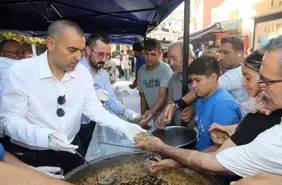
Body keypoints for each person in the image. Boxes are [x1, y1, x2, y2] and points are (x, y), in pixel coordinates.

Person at [136, 27, 282, 184]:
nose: (259, 89)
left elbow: (215, 162)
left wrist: (160, 147)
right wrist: (234, 128)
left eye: (265, 81)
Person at [0, 20, 145, 173]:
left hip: (72, 147)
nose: (78, 57)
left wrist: (124, 127)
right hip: (34, 153)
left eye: (81, 51)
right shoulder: (21, 71)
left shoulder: (82, 73)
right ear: (51, 44)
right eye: (72, 50)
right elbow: (11, 121)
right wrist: (46, 137)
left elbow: (94, 110)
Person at [79, 31, 142, 154]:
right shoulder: (76, 69)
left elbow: (110, 98)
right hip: (72, 124)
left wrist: (124, 112)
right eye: (100, 54)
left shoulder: (103, 75)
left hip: (90, 123)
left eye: (108, 55)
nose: (104, 59)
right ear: (88, 50)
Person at [161, 36, 246, 125]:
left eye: (226, 53)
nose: (221, 57)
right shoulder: (227, 70)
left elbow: (207, 87)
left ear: (239, 53)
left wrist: (176, 105)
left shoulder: (237, 74)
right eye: (220, 52)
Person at [183, 55, 242, 152]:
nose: (193, 85)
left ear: (213, 77)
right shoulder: (202, 96)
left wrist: (188, 159)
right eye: (192, 80)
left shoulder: (223, 105)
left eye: (198, 80)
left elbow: (221, 148)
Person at [155, 41, 195, 129]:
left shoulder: (204, 78)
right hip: (179, 132)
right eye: (169, 59)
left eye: (174, 58)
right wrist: (163, 115)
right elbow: (169, 103)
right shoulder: (174, 78)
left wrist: (194, 110)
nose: (171, 63)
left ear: (187, 56)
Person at [137, 38, 173, 126]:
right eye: (146, 54)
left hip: (166, 113)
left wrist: (151, 112)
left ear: (160, 54)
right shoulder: (141, 70)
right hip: (152, 114)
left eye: (153, 54)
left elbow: (162, 95)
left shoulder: (165, 69)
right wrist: (143, 117)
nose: (149, 58)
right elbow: (143, 97)